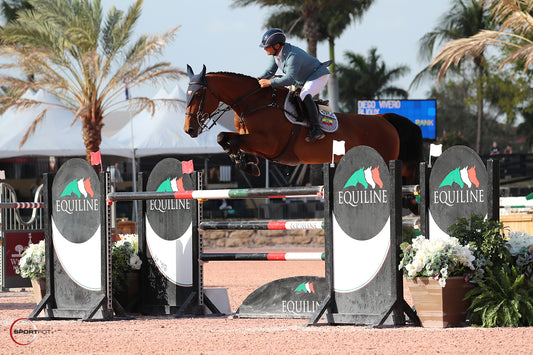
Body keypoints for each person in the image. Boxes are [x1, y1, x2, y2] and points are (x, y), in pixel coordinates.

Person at [257, 28, 330, 143]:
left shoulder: (292, 55)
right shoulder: (275, 55)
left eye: (267, 46)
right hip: (304, 79)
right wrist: (257, 80)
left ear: (276, 45)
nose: (265, 48)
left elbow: (290, 79)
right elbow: (270, 72)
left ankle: (316, 129)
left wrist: (270, 83)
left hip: (317, 76)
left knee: (305, 93)